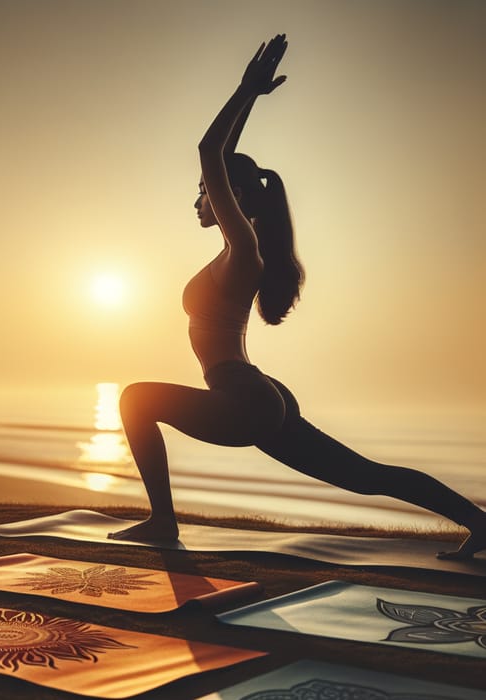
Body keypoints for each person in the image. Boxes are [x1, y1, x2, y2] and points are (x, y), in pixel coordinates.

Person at [108, 34, 486, 559]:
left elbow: (211, 153)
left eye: (204, 190)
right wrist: (252, 102)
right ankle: (478, 521)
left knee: (134, 398)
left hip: (241, 399)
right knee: (361, 476)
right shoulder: (235, 249)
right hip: (257, 395)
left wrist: (245, 91)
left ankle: (162, 523)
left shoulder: (244, 250)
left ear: (232, 198)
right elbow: (224, 158)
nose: (198, 198)